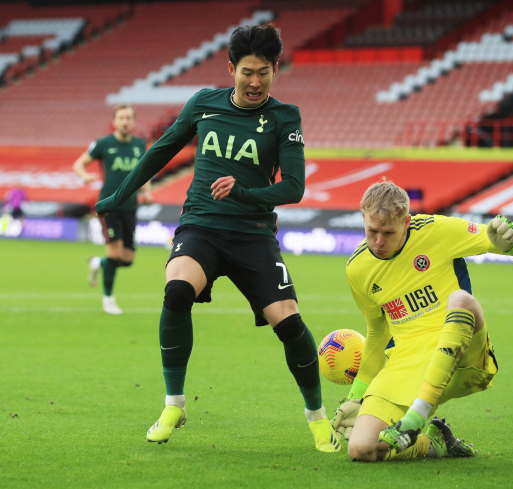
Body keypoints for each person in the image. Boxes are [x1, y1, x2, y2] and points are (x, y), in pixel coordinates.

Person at [94, 24, 340, 452]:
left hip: (254, 234)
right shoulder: (203, 104)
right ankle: (174, 403)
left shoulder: (285, 117)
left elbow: (294, 187)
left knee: (289, 322)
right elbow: (161, 150)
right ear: (231, 68)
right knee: (176, 290)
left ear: (276, 69)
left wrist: (244, 193)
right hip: (201, 226)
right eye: (247, 71)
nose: (255, 81)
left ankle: (317, 417)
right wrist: (119, 195)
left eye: (264, 71)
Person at [332, 180, 513, 462]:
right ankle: (434, 442)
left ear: (407, 221)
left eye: (388, 233)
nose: (378, 242)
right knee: (361, 448)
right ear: (363, 218)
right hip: (407, 361)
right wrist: (357, 396)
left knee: (460, 300)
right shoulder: (357, 268)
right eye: (372, 231)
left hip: (462, 351)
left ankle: (417, 416)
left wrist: (512, 245)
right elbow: (377, 333)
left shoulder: (438, 231)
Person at [73, 104, 153, 314]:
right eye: (121, 118)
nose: (125, 121)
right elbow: (79, 164)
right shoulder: (104, 143)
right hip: (109, 206)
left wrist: (147, 192)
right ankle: (108, 299)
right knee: (115, 254)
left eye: (128, 118)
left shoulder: (139, 145)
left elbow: (144, 172)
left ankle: (98, 263)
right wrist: (84, 176)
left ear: (134, 122)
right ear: (114, 121)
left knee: (127, 259)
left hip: (130, 206)